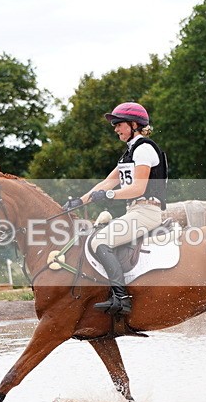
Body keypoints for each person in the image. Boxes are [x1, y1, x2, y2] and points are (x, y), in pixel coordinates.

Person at [62, 102, 168, 315]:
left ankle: (122, 297)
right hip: (135, 212)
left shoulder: (144, 149)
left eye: (119, 124)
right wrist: (80, 201)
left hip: (148, 212)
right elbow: (107, 183)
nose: (115, 128)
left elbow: (138, 188)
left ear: (134, 125)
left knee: (100, 241)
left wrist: (110, 196)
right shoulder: (128, 154)